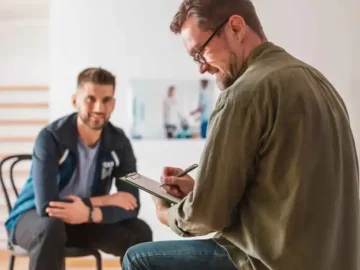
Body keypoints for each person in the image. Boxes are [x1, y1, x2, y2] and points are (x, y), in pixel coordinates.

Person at [122, 0, 359, 270]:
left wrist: (168, 214)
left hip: (266, 263)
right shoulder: (319, 84)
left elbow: (205, 217)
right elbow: (285, 196)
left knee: (138, 259)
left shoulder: (244, 94)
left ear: (236, 27)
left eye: (201, 52)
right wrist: (201, 190)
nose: (201, 67)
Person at [5, 67, 152, 270]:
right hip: (33, 219)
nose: (99, 107)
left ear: (113, 104)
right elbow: (47, 206)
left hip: (84, 220)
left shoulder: (119, 142)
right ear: (75, 101)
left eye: (106, 100)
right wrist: (104, 201)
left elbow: (132, 205)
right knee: (51, 226)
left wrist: (90, 214)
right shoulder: (50, 138)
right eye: (90, 99)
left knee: (139, 230)